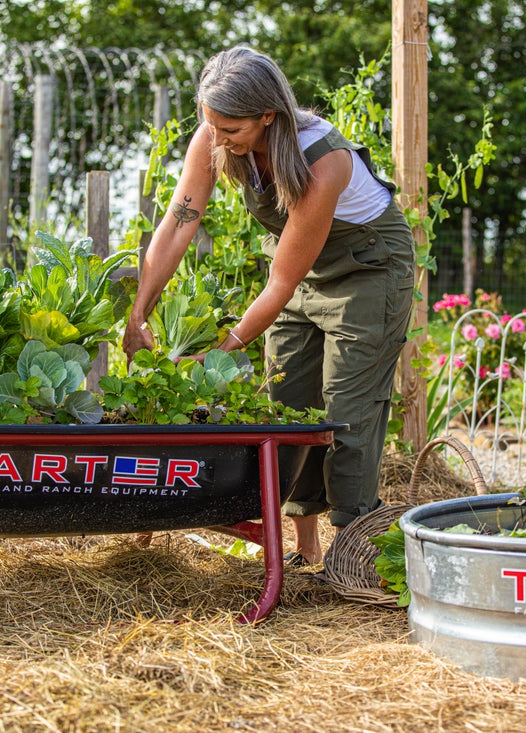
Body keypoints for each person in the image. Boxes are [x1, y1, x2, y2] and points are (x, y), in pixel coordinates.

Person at [121, 46, 414, 565]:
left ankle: (355, 554)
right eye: (210, 125)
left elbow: (280, 282)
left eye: (230, 129)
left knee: (347, 412)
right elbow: (179, 221)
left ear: (267, 116)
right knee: (288, 403)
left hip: (367, 271)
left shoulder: (322, 160)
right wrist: (139, 311)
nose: (217, 139)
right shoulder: (214, 135)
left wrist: (221, 351)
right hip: (302, 264)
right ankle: (303, 550)